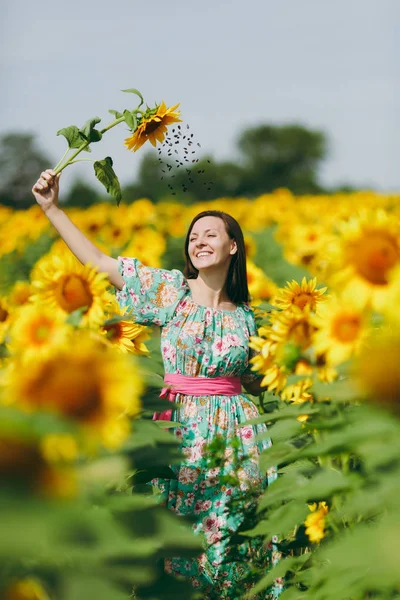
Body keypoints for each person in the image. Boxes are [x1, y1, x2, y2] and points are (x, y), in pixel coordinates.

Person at [32, 170, 282, 599]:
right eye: (193, 236)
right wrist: (52, 208)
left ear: (233, 247)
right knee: (179, 539)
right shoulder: (171, 292)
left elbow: (260, 379)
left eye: (210, 234)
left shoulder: (247, 315)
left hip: (239, 435)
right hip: (181, 431)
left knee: (237, 534)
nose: (199, 241)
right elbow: (100, 264)